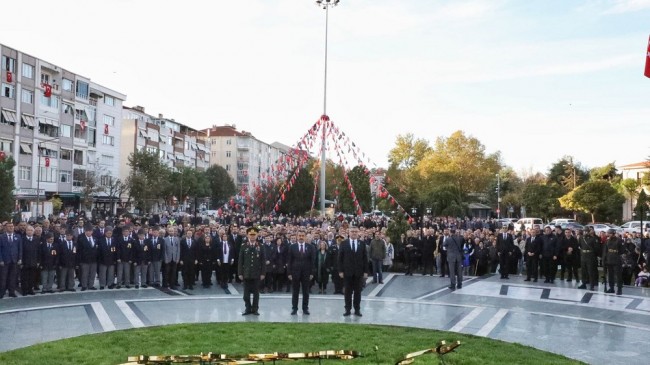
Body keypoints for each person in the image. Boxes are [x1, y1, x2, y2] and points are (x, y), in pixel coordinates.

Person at [338, 227, 368, 316]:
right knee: (347, 292)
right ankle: (347, 309)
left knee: (358, 292)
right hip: (347, 273)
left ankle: (357, 309)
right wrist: (340, 271)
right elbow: (340, 258)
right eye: (352, 231)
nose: (354, 233)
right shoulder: (343, 243)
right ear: (349, 232)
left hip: (358, 273)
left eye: (355, 231)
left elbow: (365, 259)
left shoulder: (362, 244)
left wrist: (366, 272)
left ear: (358, 233)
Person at [238, 227, 266, 315]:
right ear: (247, 235)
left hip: (257, 273)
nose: (252, 237)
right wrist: (240, 273)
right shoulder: (244, 246)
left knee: (256, 294)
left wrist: (263, 273)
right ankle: (247, 308)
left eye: (254, 235)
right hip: (246, 273)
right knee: (246, 295)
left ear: (257, 235)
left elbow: (263, 261)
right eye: (251, 235)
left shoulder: (261, 246)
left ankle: (255, 309)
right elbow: (240, 261)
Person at [287, 230, 315, 315]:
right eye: (300, 235)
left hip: (306, 273)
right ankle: (294, 308)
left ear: (305, 237)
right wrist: (289, 273)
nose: (301, 237)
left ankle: (305, 308)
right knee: (295, 291)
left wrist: (312, 273)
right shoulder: (292, 247)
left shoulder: (310, 247)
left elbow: (313, 261)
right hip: (295, 272)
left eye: (303, 235)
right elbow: (289, 261)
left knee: (306, 292)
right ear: (297, 236)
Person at [603, 229, 624, 295]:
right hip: (609, 259)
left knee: (618, 275)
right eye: (608, 233)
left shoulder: (619, 240)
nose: (608, 234)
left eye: (609, 233)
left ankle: (619, 289)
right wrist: (604, 259)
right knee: (610, 275)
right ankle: (611, 288)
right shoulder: (607, 240)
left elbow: (622, 250)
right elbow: (605, 250)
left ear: (613, 234)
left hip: (616, 259)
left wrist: (617, 254)